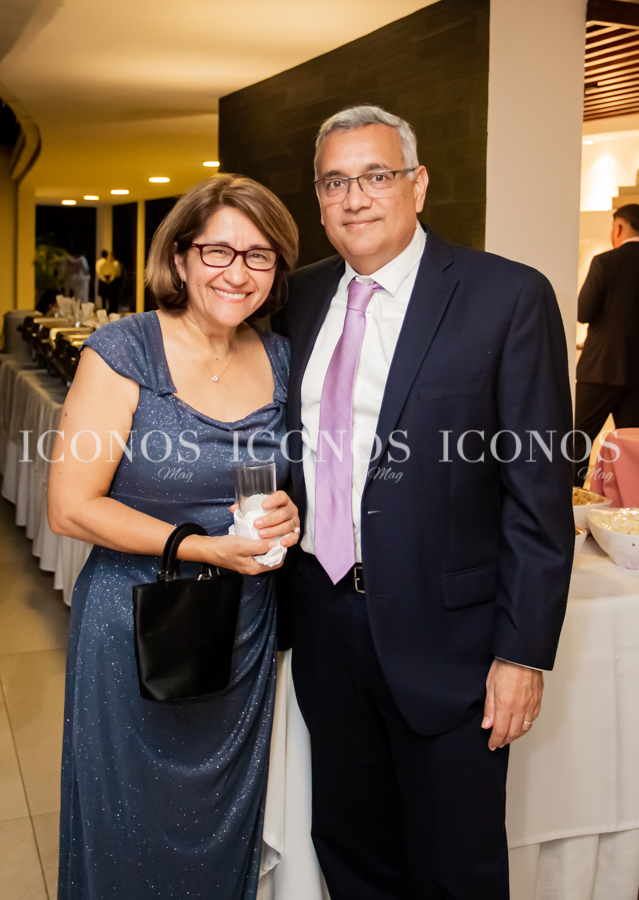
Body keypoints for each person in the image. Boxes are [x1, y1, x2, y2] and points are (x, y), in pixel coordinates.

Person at [274, 105, 574, 899]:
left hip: (452, 645)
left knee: (455, 868)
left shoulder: (504, 295)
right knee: (351, 852)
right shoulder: (297, 298)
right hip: (325, 623)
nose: (354, 197)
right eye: (334, 182)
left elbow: (537, 494)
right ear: (318, 199)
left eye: (376, 175)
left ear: (418, 183)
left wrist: (521, 654)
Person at [48, 175, 300, 900]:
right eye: (218, 250)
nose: (237, 272)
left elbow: (293, 479)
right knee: (127, 825)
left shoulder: (282, 357)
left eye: (258, 255)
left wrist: (288, 516)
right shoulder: (124, 349)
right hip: (134, 623)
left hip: (241, 631)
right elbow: (69, 507)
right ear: (182, 257)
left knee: (225, 824)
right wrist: (202, 547)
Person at [574, 204, 639, 485]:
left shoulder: (605, 262)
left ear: (619, 228)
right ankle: (629, 505)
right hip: (637, 375)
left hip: (600, 369)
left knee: (578, 440)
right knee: (633, 447)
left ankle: (571, 499)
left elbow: (584, 312)